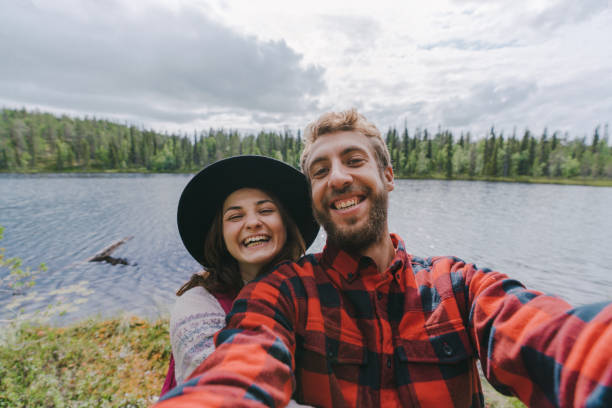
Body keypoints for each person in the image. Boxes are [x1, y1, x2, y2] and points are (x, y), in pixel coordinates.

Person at [157, 110, 612, 407]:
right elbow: (239, 369)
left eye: (353, 160)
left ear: (388, 176)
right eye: (320, 171)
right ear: (312, 197)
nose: (337, 178)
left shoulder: (457, 286)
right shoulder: (281, 293)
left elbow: (552, 336)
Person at [160, 155, 319, 395]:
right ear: (220, 234)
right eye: (235, 216)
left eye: (265, 210)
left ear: (285, 225)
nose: (253, 222)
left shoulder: (311, 289)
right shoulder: (197, 304)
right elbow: (226, 393)